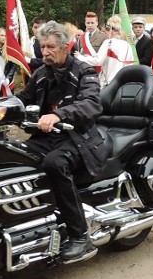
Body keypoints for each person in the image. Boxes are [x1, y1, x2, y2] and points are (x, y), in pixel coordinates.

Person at [17, 21, 107, 263]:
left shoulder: (84, 71)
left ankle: (80, 237)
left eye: (50, 47)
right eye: (42, 46)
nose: (44, 51)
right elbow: (23, 99)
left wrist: (58, 114)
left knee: (55, 164)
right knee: (12, 155)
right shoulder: (41, 73)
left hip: (79, 139)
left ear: (66, 47)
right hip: (47, 138)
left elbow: (91, 103)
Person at [74, 15, 136, 87]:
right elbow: (129, 65)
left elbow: (98, 61)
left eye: (106, 30)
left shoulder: (108, 43)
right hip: (123, 83)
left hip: (108, 83)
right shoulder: (127, 45)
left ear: (110, 30)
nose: (105, 33)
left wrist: (80, 57)